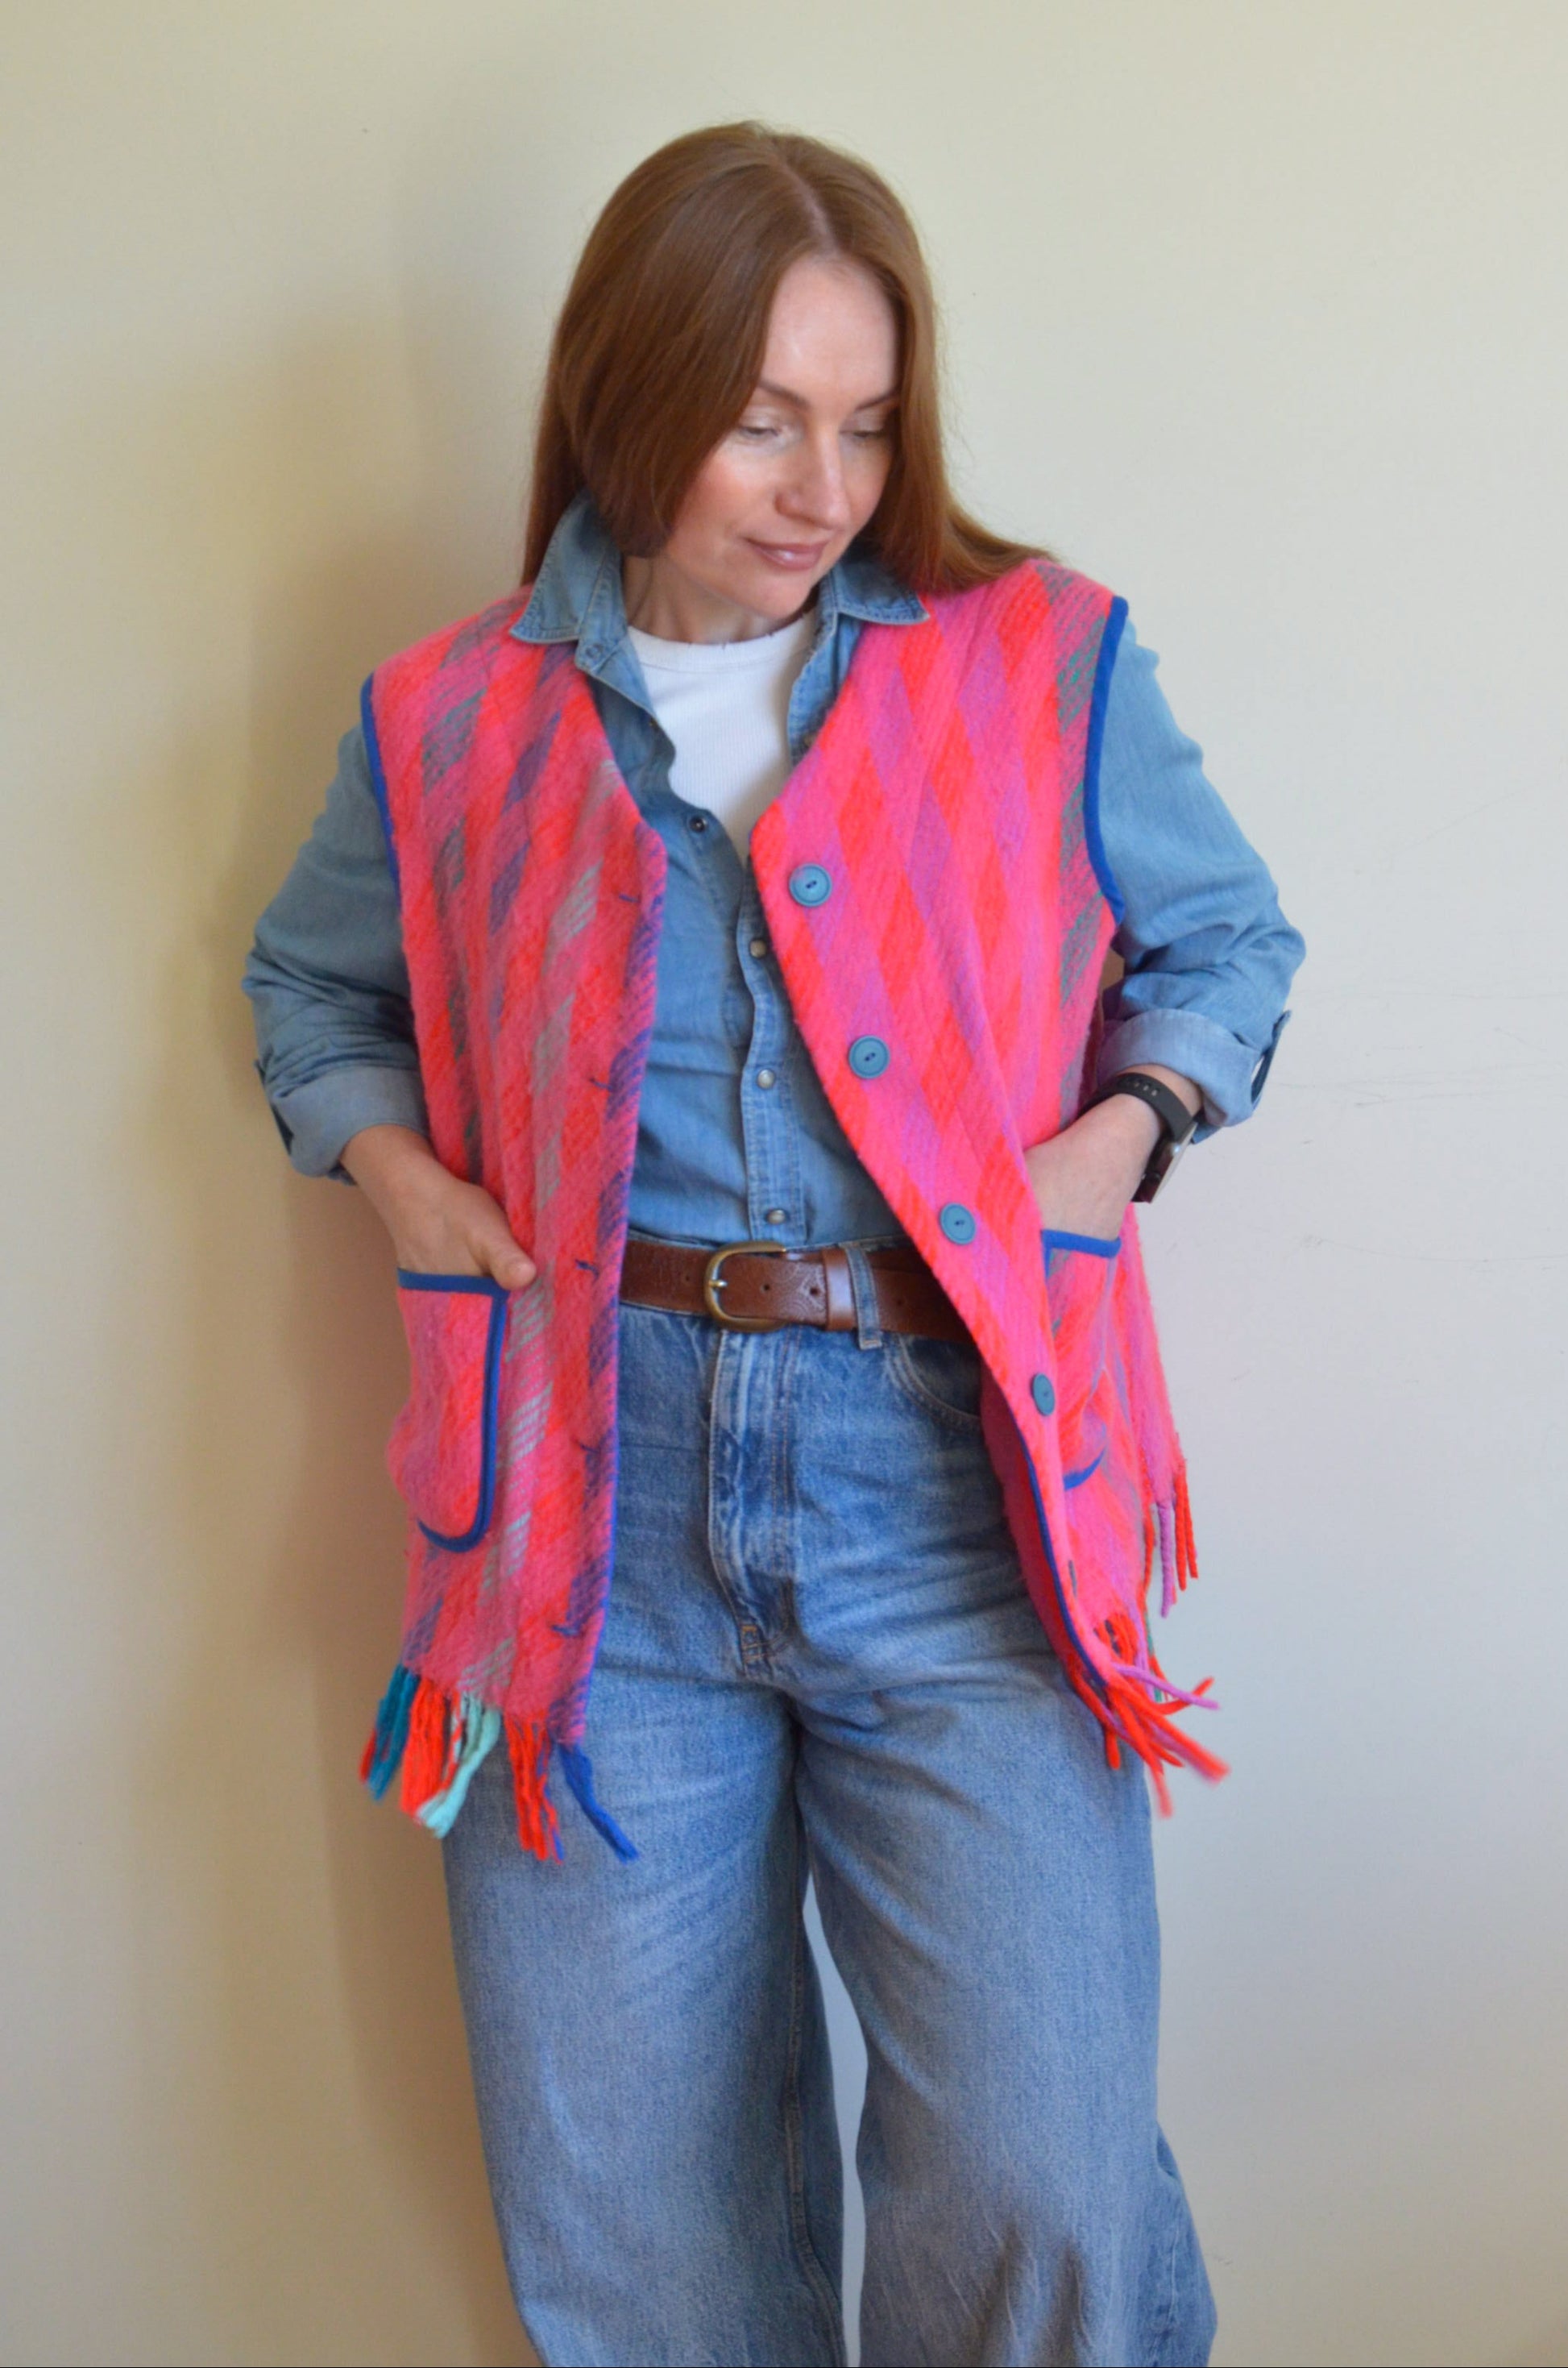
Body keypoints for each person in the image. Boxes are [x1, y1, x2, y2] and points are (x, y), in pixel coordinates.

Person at [244, 121, 1302, 2368]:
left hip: (958, 1482)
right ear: (626, 395)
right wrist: (404, 1182)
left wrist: (1112, 1142)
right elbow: (311, 992)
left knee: (1032, 2177)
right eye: (759, 420)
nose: (824, 487)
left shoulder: (1039, 658)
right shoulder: (450, 715)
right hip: (587, 1510)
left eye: (868, 424)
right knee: (638, 2233)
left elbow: (1225, 946)